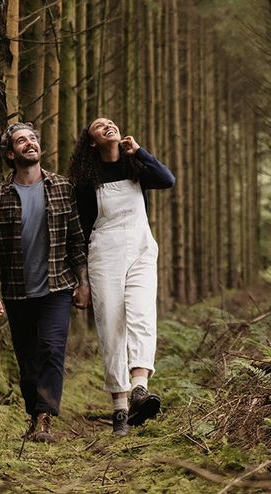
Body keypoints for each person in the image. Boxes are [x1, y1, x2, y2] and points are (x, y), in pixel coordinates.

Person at [0, 122, 90, 444]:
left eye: (32, 139)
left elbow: (75, 240)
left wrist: (83, 283)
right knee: (26, 359)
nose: (29, 143)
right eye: (21, 141)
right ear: (10, 153)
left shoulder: (61, 187)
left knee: (52, 350)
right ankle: (33, 413)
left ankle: (45, 419)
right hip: (17, 290)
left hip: (57, 286)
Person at [68, 117, 175, 436]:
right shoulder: (86, 182)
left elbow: (167, 179)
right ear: (92, 142)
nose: (107, 126)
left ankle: (140, 389)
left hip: (142, 247)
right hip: (105, 251)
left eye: (110, 122)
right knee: (111, 325)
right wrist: (82, 281)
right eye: (99, 126)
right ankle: (119, 408)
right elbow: (80, 233)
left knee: (143, 316)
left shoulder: (135, 167)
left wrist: (139, 151)